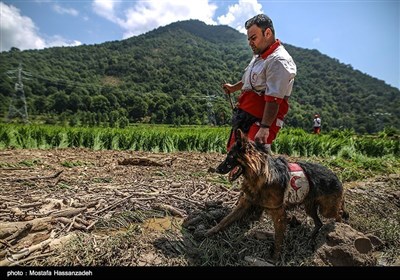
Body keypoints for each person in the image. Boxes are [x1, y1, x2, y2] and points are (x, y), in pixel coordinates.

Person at [222, 14, 297, 154]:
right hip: (245, 113)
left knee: (252, 158)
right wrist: (233, 88)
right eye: (249, 39)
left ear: (267, 33)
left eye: (253, 38)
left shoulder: (278, 60)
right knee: (235, 153)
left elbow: (274, 98)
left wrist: (264, 127)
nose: (250, 42)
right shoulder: (259, 55)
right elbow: (248, 81)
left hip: (262, 118)